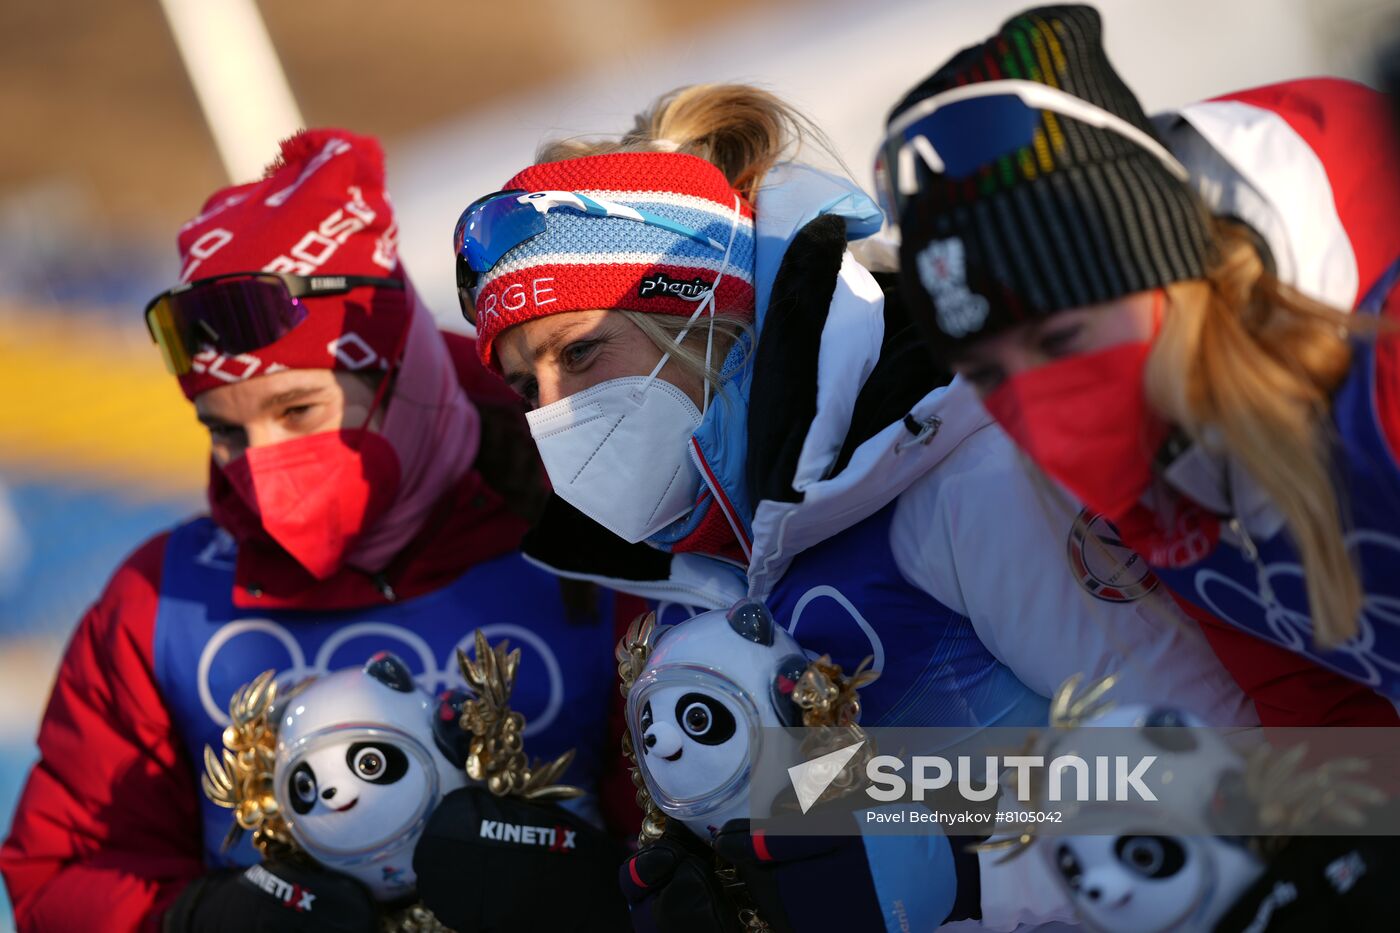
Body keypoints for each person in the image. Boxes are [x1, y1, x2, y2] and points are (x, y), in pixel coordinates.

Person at [452, 83, 1254, 930]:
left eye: (580, 352)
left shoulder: (966, 470)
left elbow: (1227, 763)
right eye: (523, 385)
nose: (553, 411)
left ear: (702, 315)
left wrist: (962, 879)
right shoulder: (701, 567)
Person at [0, 129, 630, 932]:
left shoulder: (600, 547)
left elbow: (788, 829)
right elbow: (56, 873)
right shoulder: (159, 605)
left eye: (300, 410)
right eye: (225, 430)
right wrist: (190, 919)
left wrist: (607, 889)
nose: (261, 466)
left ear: (403, 385)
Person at [883, 4, 1400, 727]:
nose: (1039, 407)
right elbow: (1320, 708)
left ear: (1163, 272)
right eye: (990, 375)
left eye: (1060, 339)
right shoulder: (1153, 459)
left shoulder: (1380, 362)